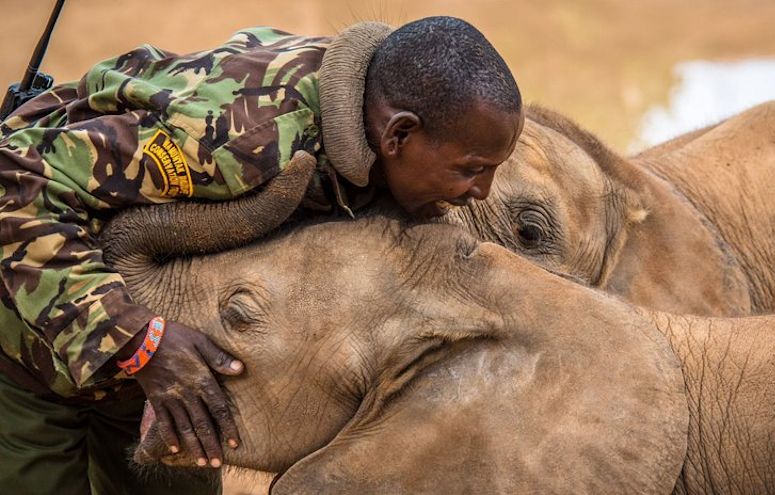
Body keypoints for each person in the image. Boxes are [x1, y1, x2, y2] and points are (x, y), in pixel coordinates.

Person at [0, 15, 523, 495]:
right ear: (399, 133)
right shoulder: (239, 142)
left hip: (160, 371)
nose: (482, 191)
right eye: (472, 169)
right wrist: (139, 342)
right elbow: (14, 186)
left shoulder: (367, 111)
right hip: (27, 348)